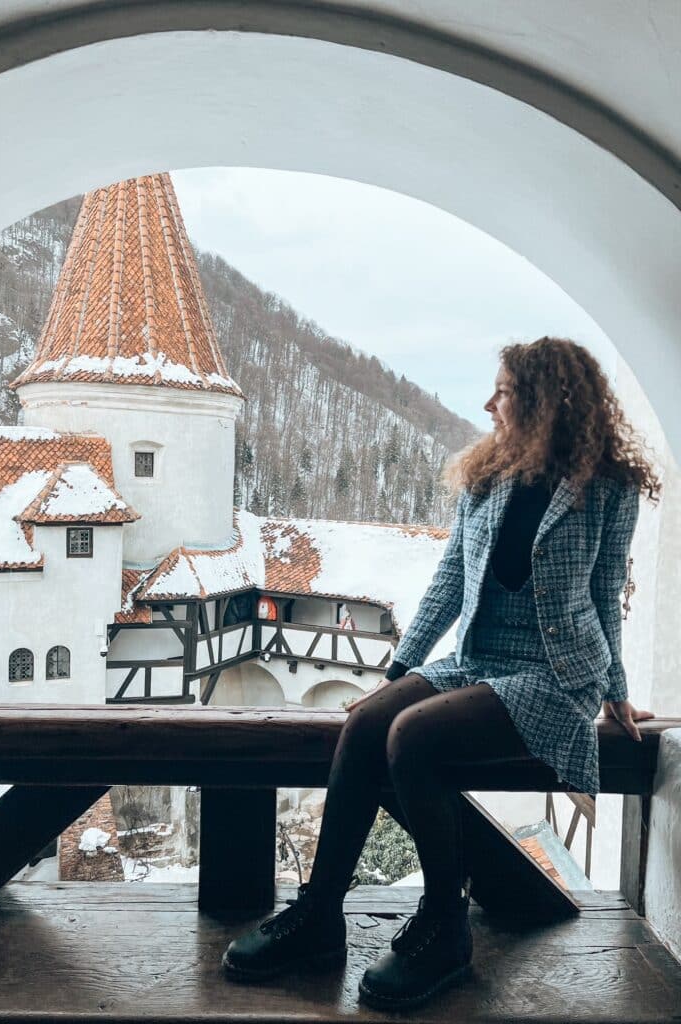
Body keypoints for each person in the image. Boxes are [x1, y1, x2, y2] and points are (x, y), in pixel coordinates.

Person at [221, 337, 660, 1011]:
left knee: (415, 737)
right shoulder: (487, 478)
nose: (490, 404)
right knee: (369, 722)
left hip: (554, 673)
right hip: (477, 659)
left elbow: (606, 596)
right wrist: (398, 669)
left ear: (545, 401)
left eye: (504, 392)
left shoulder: (607, 487)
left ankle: (444, 924)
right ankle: (319, 915)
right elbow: (450, 580)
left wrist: (618, 695)